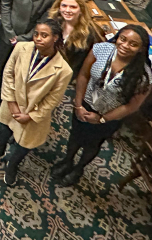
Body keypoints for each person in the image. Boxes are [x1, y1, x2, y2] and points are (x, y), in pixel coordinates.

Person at [51, 25, 151, 187]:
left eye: (133, 44)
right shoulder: (100, 49)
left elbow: (132, 107)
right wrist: (78, 105)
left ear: (140, 49)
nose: (125, 46)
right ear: (117, 37)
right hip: (85, 105)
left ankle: (79, 168)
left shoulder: (144, 76)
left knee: (93, 144)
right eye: (123, 39)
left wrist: (102, 119)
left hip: (109, 116)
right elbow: (83, 75)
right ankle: (67, 161)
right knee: (75, 135)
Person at [0, 19, 73, 186]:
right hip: (12, 103)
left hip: (32, 114)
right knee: (4, 129)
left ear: (55, 38)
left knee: (24, 145)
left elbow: (53, 99)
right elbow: (8, 74)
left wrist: (30, 116)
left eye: (44, 35)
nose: (38, 38)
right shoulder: (22, 47)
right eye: (36, 34)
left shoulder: (64, 70)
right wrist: (11, 102)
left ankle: (12, 165)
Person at [47, 0, 100, 74]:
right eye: (64, 6)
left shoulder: (87, 34)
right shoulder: (51, 23)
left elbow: (75, 67)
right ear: (59, 7)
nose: (67, 10)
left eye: (73, 7)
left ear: (81, 10)